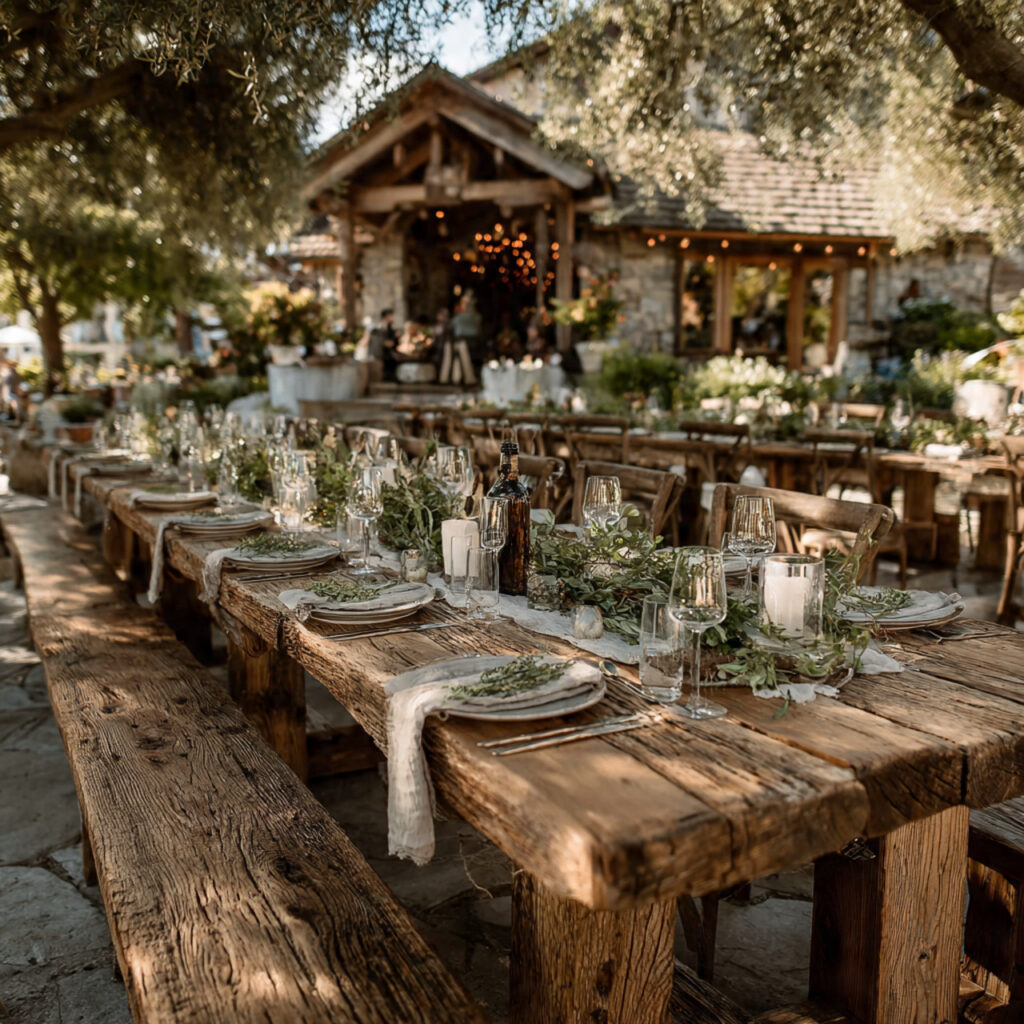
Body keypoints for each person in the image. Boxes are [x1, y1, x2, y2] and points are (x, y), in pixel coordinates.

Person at [440, 297, 479, 385]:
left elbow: (449, 327)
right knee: (451, 348)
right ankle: (451, 378)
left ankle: (447, 378)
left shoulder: (465, 317)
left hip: (466, 343)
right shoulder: (474, 317)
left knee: (454, 348)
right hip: (462, 343)